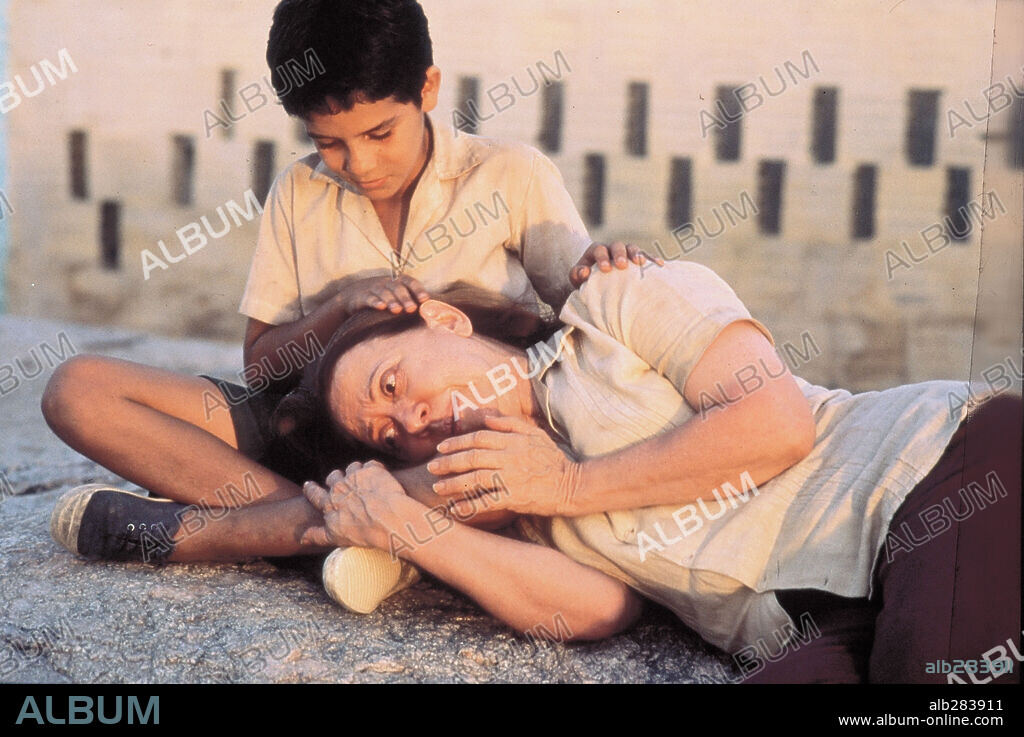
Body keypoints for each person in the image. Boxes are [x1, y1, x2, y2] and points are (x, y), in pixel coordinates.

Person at [42, 0, 647, 566]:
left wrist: (610, 270)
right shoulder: (300, 192)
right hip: (308, 430)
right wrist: (336, 309)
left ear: (427, 88)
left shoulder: (510, 174)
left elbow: (582, 319)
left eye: (379, 134)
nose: (359, 164)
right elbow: (260, 369)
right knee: (77, 391)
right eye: (328, 143)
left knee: (494, 475)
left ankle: (275, 530)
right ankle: (329, 531)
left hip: (439, 451)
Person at [290, 262, 1020, 684]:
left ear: (444, 321)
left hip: (937, 472)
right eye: (389, 436)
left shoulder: (614, 306)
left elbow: (776, 423)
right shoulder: (509, 492)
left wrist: (570, 484)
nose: (412, 421)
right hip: (826, 623)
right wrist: (415, 531)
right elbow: (600, 608)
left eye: (393, 386)